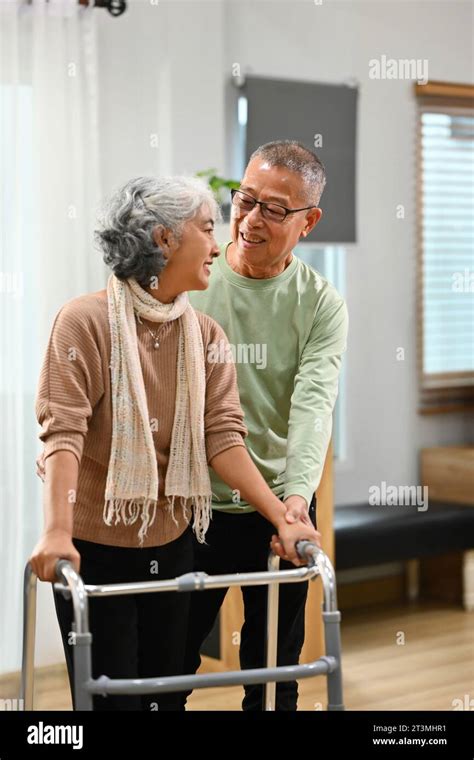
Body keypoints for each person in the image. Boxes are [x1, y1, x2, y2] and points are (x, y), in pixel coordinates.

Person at [30, 174, 320, 711]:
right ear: (164, 239)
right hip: (96, 555)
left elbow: (224, 439)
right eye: (208, 229)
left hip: (175, 545)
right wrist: (55, 533)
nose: (218, 245)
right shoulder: (84, 323)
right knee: (113, 704)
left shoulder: (205, 335)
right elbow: (63, 435)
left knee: (166, 700)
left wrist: (280, 514)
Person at [179, 141, 349, 711]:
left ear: (309, 221)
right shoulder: (190, 282)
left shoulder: (321, 304)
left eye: (274, 209)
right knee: (168, 665)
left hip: (276, 505)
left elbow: (313, 404)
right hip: (189, 506)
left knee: (274, 674)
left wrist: (295, 502)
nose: (251, 220)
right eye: (244, 200)